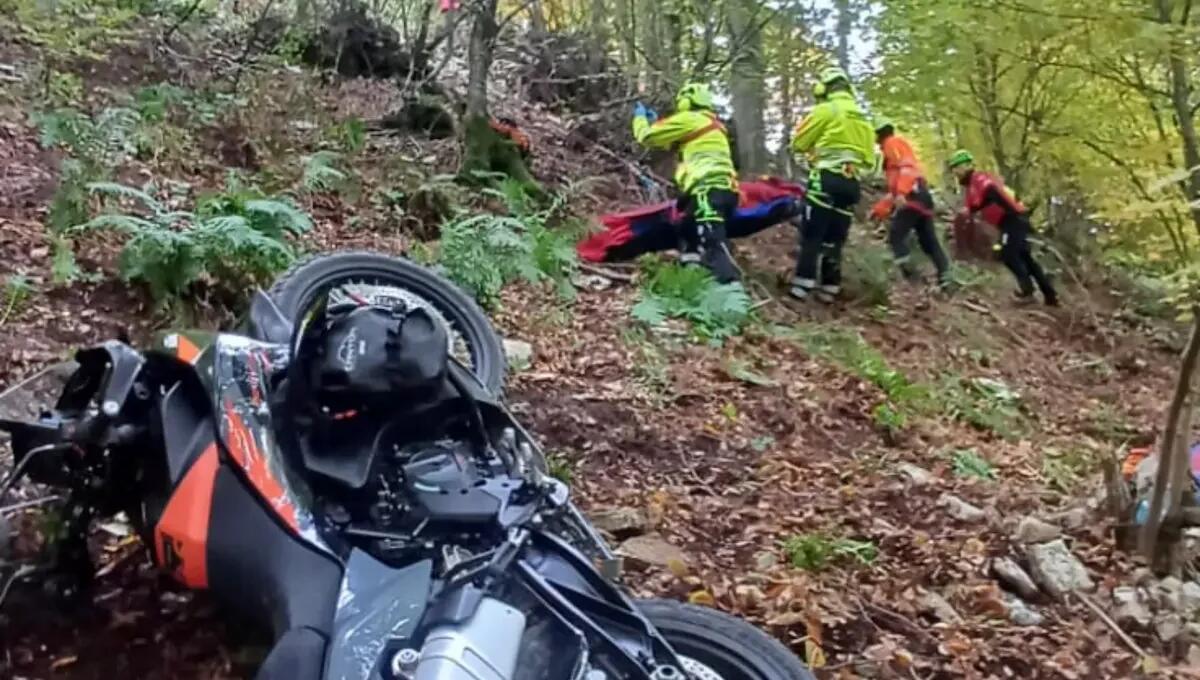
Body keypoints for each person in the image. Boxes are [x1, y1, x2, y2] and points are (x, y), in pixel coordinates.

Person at [632, 83, 740, 283]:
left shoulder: (690, 119)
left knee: (713, 243)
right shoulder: (713, 125)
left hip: (706, 189)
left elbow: (647, 137)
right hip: (722, 189)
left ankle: (729, 293)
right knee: (687, 228)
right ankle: (690, 277)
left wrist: (640, 118)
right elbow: (675, 141)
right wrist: (659, 124)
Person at [788, 67, 876, 302]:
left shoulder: (827, 109)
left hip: (826, 177)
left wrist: (813, 154)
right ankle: (830, 287)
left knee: (813, 233)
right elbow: (870, 159)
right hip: (851, 183)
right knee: (836, 238)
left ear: (825, 88)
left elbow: (799, 141)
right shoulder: (862, 117)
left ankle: (802, 284)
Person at [948, 150, 1058, 306]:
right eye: (953, 168)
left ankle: (1028, 292)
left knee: (1008, 254)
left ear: (967, 165)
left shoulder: (979, 179)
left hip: (1012, 219)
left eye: (957, 167)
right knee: (1026, 258)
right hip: (1009, 221)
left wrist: (1012, 213)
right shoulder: (972, 186)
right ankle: (1050, 296)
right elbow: (977, 204)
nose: (955, 172)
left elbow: (992, 192)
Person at [870, 120, 950, 287]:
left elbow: (907, 169)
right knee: (929, 242)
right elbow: (893, 191)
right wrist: (879, 210)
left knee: (896, 236)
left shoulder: (892, 143)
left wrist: (902, 193)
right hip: (921, 196)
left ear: (879, 133)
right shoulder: (894, 147)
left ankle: (911, 277)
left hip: (913, 195)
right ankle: (946, 277)